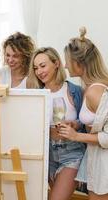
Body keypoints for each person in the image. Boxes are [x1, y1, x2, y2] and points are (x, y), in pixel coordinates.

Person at [59, 27, 108, 199]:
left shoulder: (97, 91)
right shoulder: (91, 88)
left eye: (67, 61)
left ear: (80, 63)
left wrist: (76, 136)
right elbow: (98, 122)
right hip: (100, 165)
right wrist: (78, 124)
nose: (65, 65)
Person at [26, 47, 86, 200]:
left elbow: (86, 122)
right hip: (47, 153)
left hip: (71, 152)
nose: (39, 71)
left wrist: (75, 124)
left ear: (56, 63)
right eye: (36, 68)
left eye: (43, 65)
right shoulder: (36, 95)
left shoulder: (75, 91)